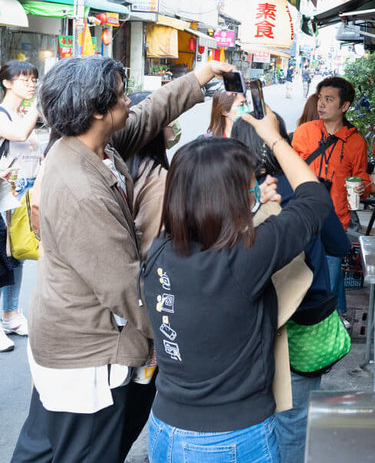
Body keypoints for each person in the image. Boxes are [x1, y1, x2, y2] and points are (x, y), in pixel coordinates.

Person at [11, 57, 234, 463]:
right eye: (119, 95)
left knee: (42, 447)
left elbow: (149, 113)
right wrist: (179, 335)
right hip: (88, 355)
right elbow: (126, 288)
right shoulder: (82, 189)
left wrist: (201, 76)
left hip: (65, 339)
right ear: (97, 111)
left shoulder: (91, 145)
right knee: (87, 451)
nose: (128, 100)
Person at [142, 112, 330, 463]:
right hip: (230, 440)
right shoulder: (245, 256)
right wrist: (273, 137)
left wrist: (257, 204)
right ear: (230, 196)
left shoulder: (161, 249)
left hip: (166, 427)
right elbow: (315, 200)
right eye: (249, 184)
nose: (254, 189)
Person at [231, 114, 350, 463]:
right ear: (280, 139)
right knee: (294, 421)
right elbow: (339, 246)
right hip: (301, 327)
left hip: (247, 334)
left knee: (253, 422)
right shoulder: (304, 190)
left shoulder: (227, 197)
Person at [292, 77, 370, 317]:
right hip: (301, 216)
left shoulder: (356, 143)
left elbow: (362, 178)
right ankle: (311, 321)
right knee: (299, 278)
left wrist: (362, 189)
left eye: (329, 99)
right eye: (320, 98)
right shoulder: (304, 132)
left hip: (335, 220)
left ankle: (333, 321)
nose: (321, 104)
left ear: (344, 106)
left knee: (331, 275)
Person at [0, 60, 42, 351]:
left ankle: (11, 315)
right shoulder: (4, 116)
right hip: (3, 193)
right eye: (25, 80)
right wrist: (41, 106)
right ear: (7, 83)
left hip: (23, 192)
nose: (31, 84)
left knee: (17, 254)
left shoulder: (23, 113)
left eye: (34, 80)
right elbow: (19, 135)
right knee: (2, 257)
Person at [126, 91, 180, 259]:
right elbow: (153, 251)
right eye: (169, 117)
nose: (174, 123)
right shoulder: (159, 182)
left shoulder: (122, 164)